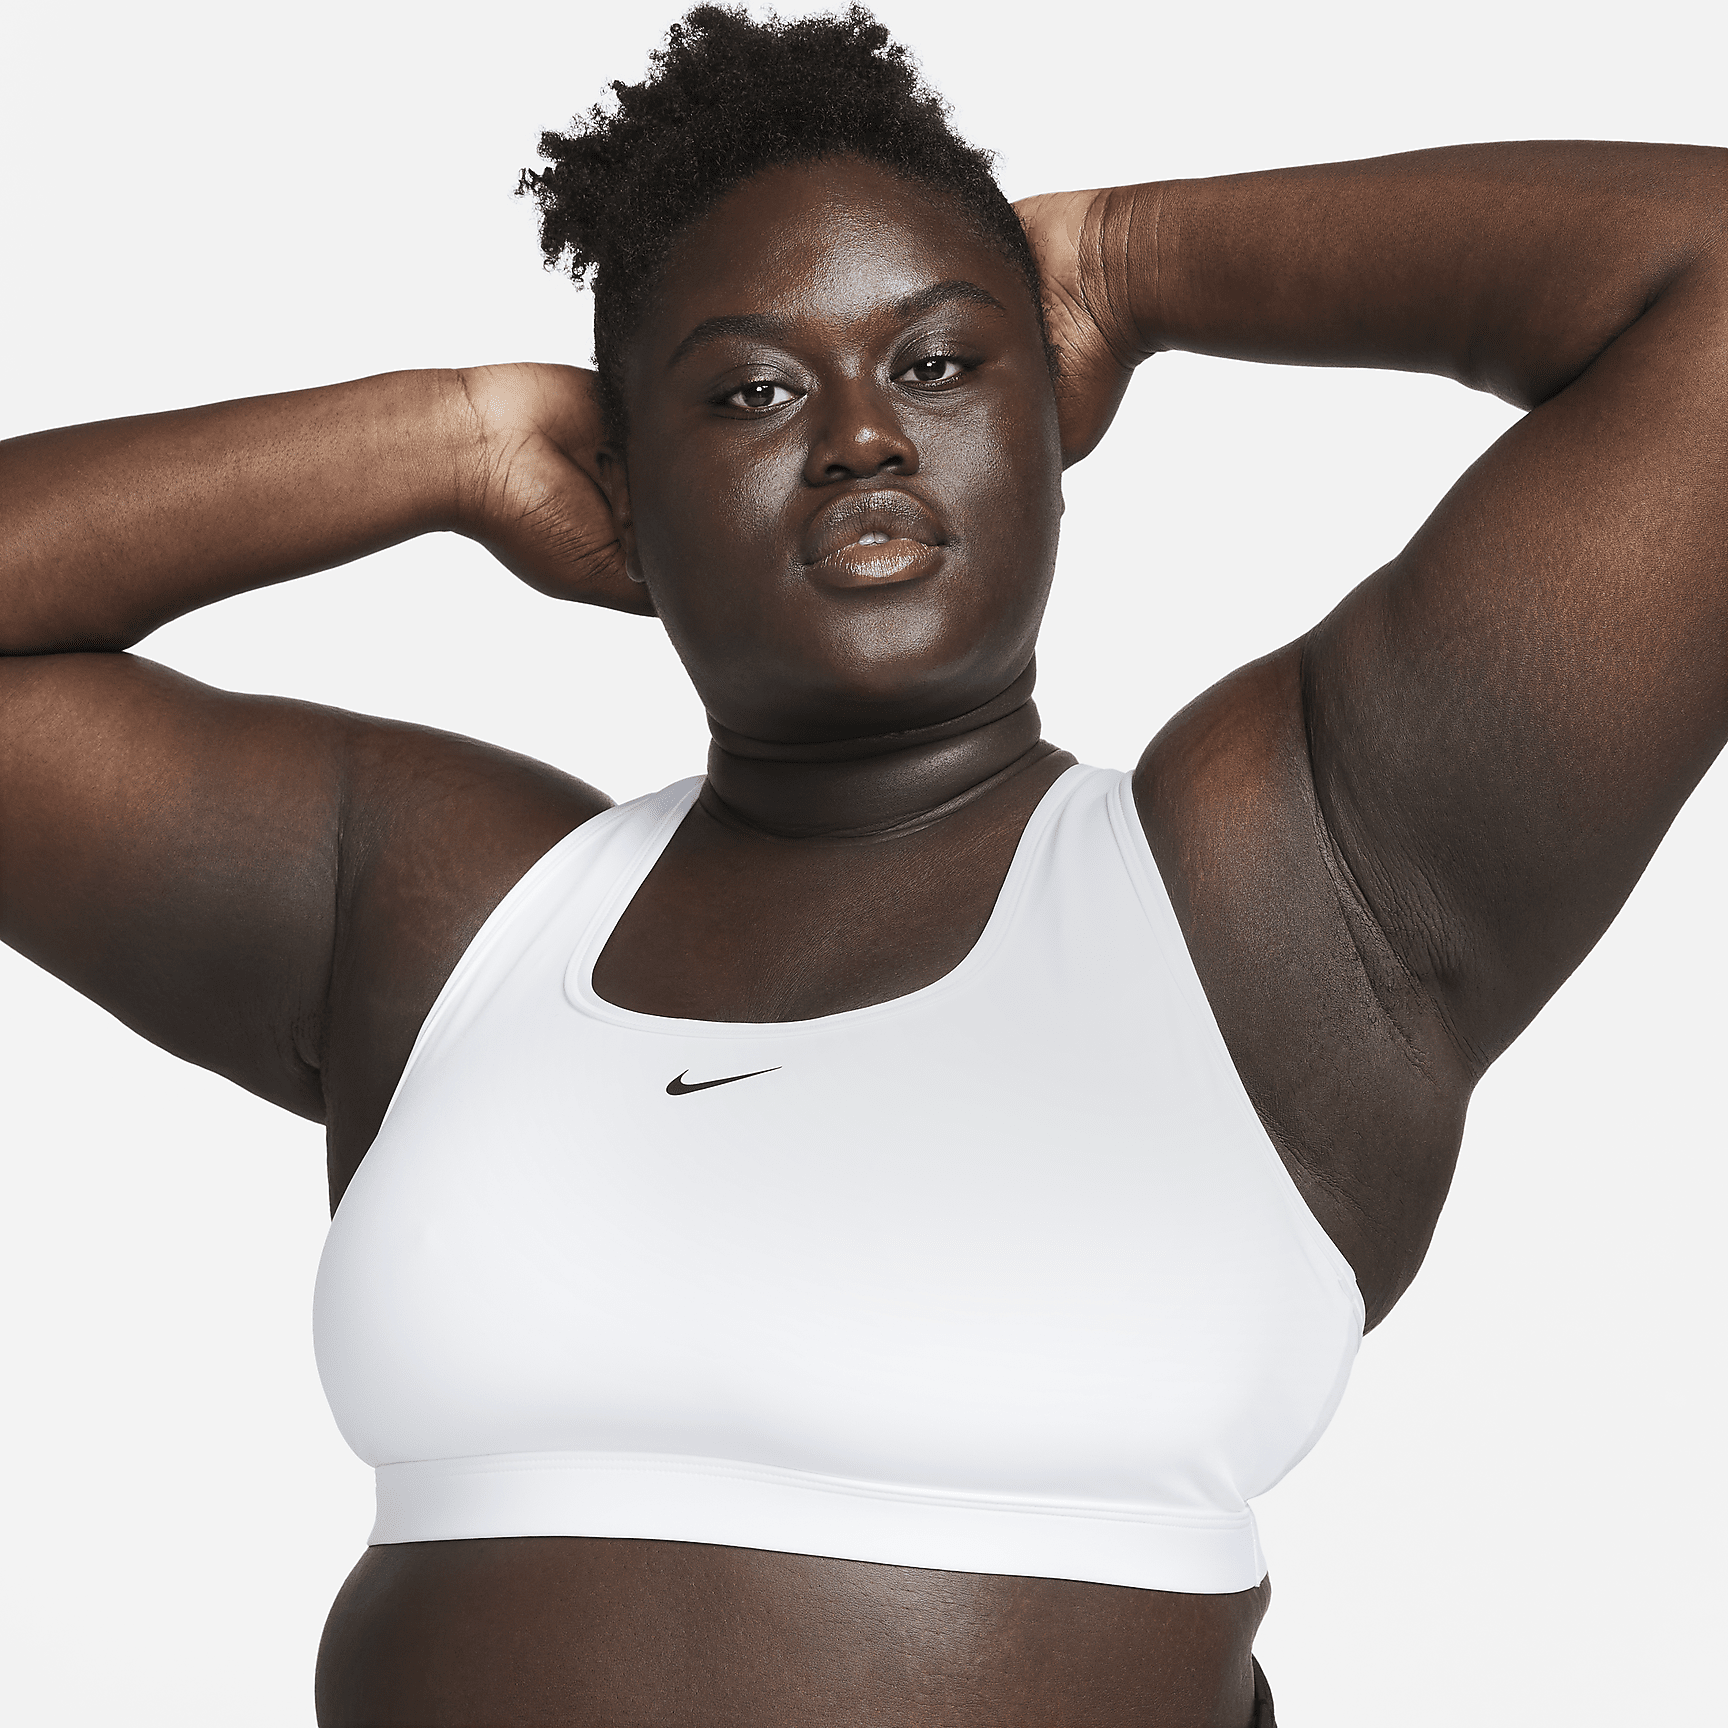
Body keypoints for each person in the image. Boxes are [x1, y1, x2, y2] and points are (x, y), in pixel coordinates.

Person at [2, 4, 1723, 1723]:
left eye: (941, 363)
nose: (861, 437)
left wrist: (1125, 263)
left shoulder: (1281, 885)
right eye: (753, 390)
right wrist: (446, 436)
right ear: (619, 491)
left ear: (1050, 422)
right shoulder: (447, 911)